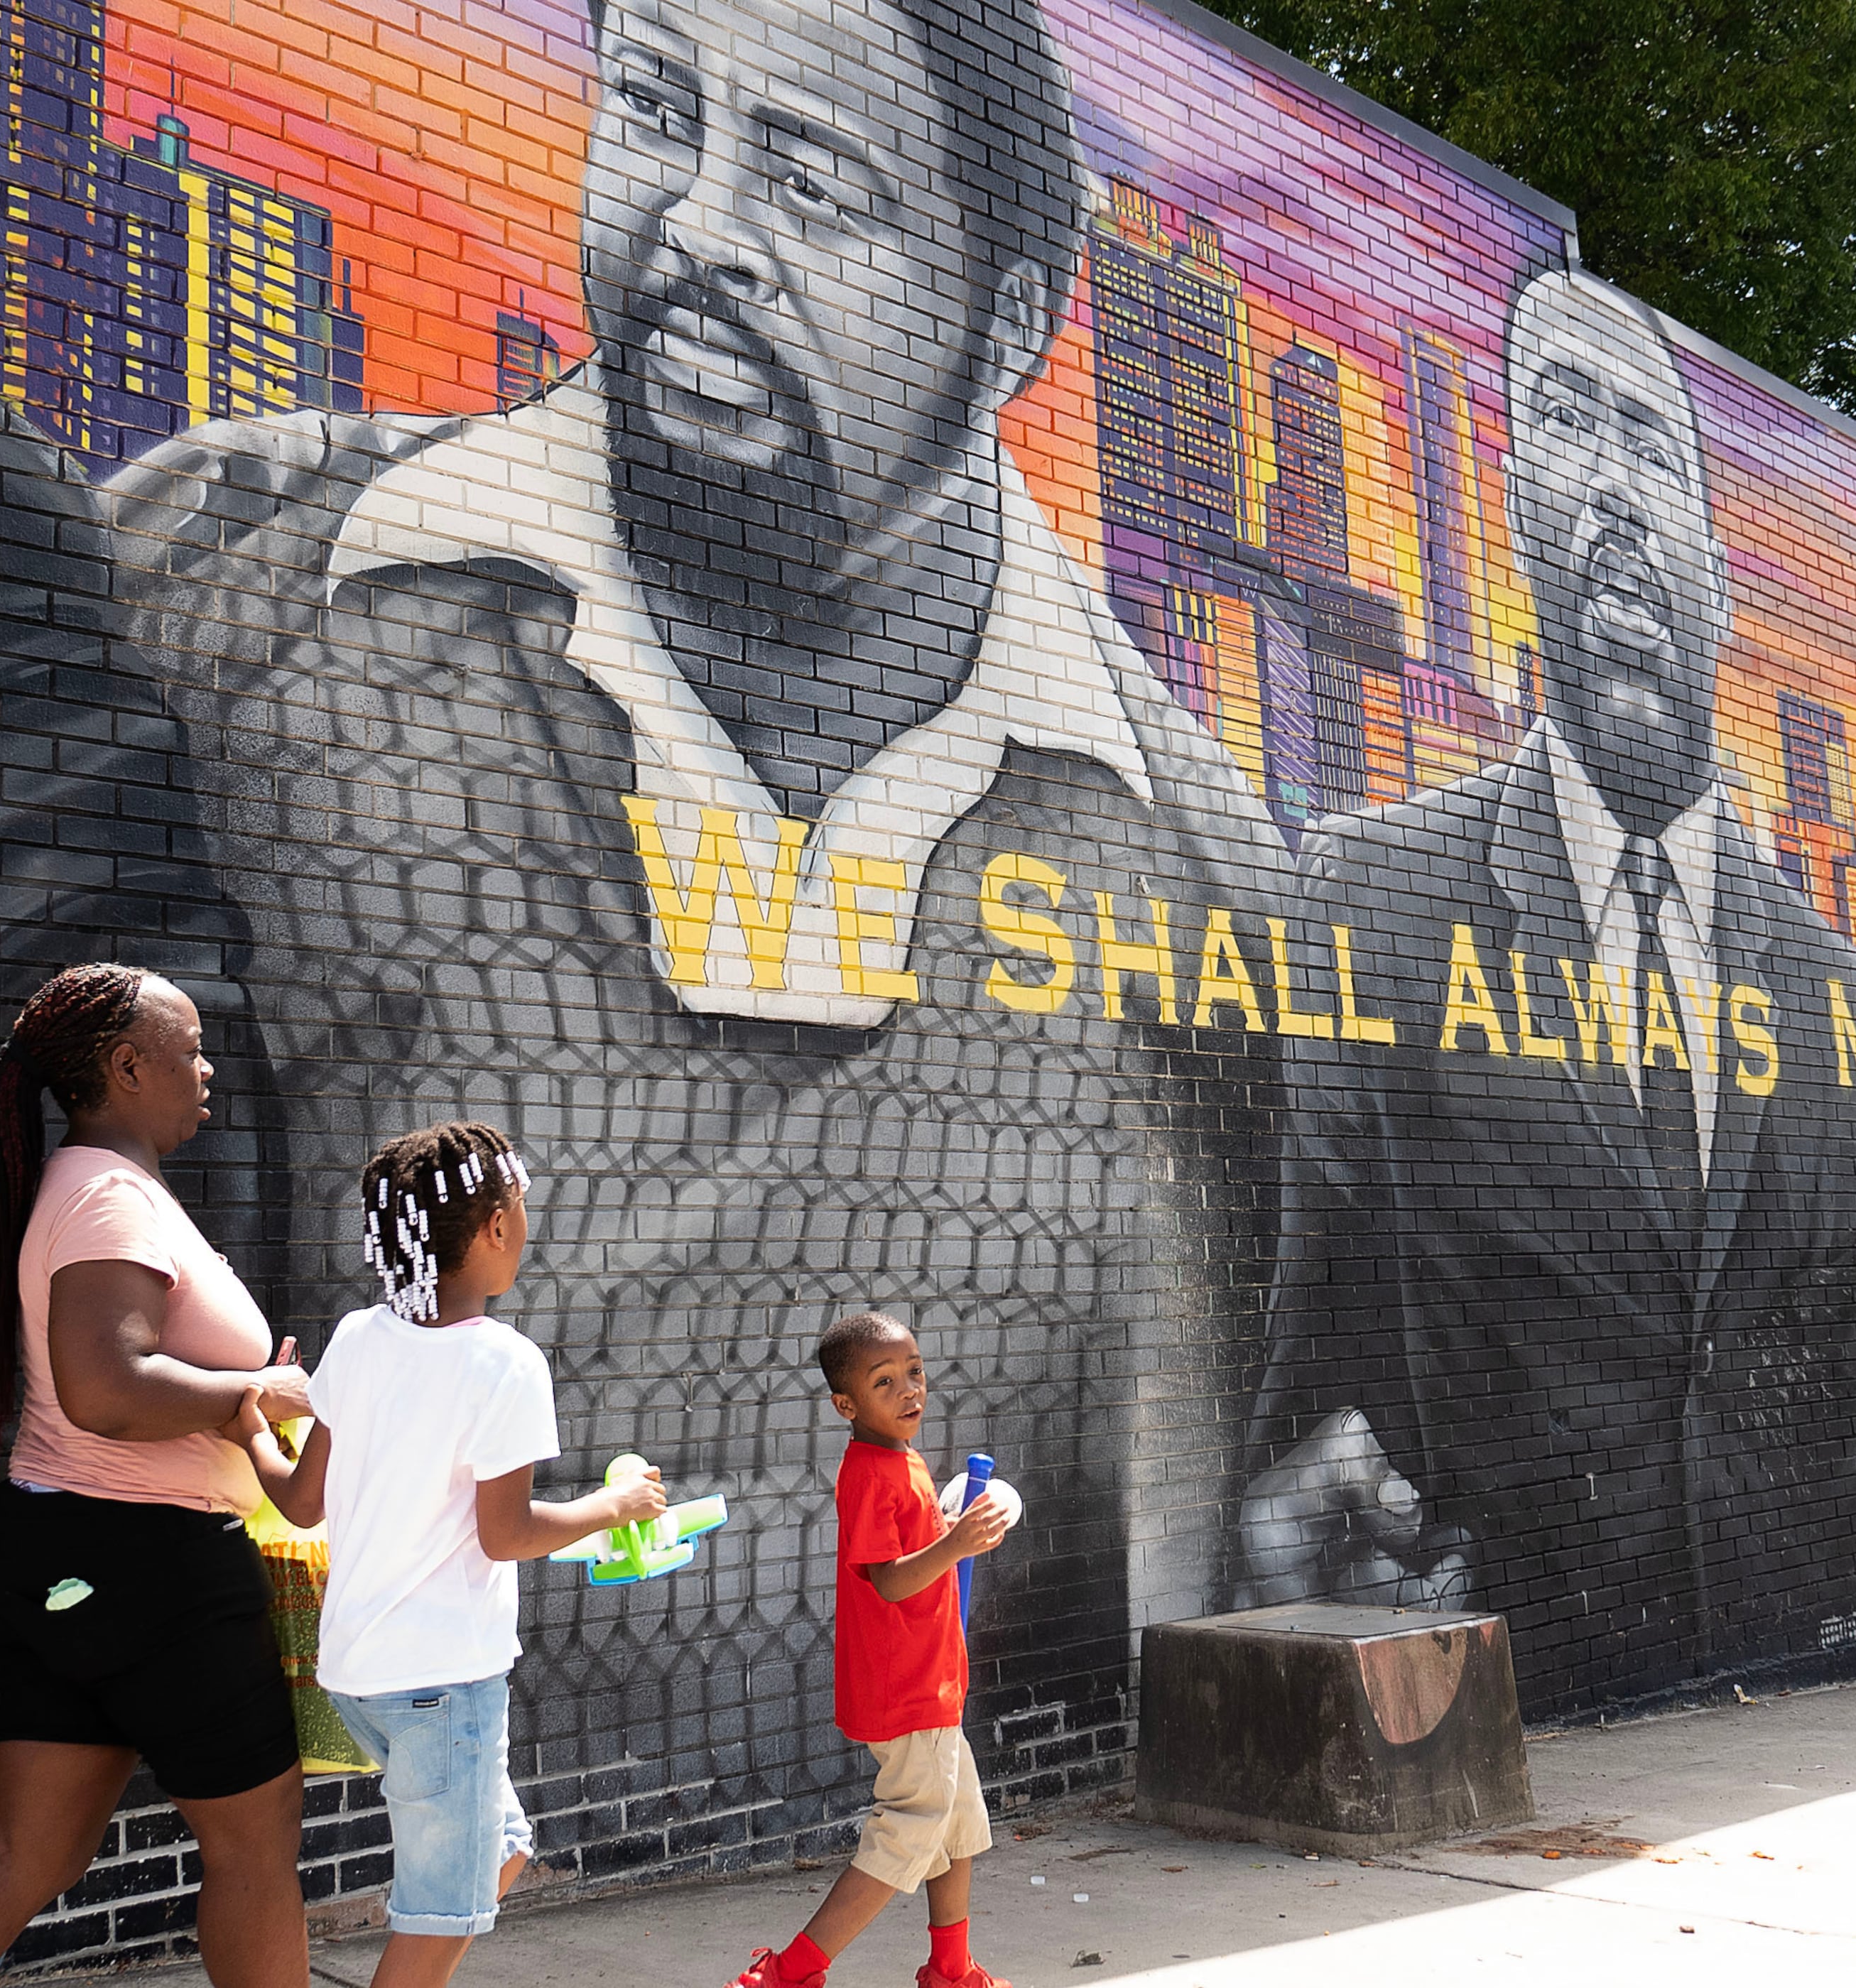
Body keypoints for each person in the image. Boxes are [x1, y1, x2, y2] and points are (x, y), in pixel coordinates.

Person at [106, 0, 1290, 1803]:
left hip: (946, 1788)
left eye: (815, 179)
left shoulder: (1199, 862)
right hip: (345, 1784)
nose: (698, 226)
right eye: (656, 108)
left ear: (1012, 320)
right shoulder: (226, 587)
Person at [1237, 268, 1856, 1710]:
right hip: (1498, 1714)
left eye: (1652, 443)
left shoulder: (1842, 990)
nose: (1615, 492)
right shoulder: (1367, 894)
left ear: (1716, 566)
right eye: (1567, 427)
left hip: (1807, 1704)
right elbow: (1301, 1349)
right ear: (1514, 508)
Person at [0, 963, 315, 1988]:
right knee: (256, 1851)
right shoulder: (109, 1197)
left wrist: (244, 1389)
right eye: (190, 1049)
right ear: (126, 1066)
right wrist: (256, 1391)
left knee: (30, 1856)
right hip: (148, 1563)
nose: (209, 1069)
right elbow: (106, 1388)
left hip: (68, 1554)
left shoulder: (99, 1187)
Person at [227, 1120, 668, 1987]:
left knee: (499, 1850)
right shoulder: (504, 1363)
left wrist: (251, 1427)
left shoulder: (355, 1338)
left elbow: (301, 1502)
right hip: (442, 1685)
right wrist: (611, 1506)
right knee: (440, 1916)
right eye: (523, 1208)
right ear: (497, 1228)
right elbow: (505, 1533)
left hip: (359, 1678)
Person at [729, 1310, 1015, 1988]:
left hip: (930, 1681)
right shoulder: (869, 1471)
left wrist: (946, 1525)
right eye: (885, 1381)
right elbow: (888, 1578)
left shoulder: (899, 1458)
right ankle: (788, 1972)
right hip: (909, 1688)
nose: (910, 1389)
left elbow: (907, 1550)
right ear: (846, 1404)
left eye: (914, 1372)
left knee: (958, 1824)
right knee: (910, 1830)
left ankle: (951, 1968)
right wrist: (955, 1544)